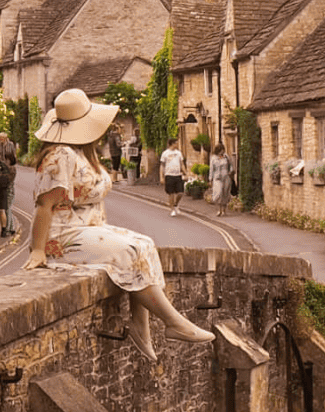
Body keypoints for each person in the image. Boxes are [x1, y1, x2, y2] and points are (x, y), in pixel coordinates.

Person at [22, 89, 214, 362]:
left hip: (86, 230)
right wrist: (39, 251)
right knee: (130, 251)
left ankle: (140, 324)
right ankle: (173, 322)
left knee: (144, 243)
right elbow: (44, 206)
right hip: (62, 236)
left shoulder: (81, 153)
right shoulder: (61, 155)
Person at [160, 136, 186, 217]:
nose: (177, 144)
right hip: (169, 175)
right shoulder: (165, 153)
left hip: (178, 175)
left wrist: (186, 172)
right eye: (176, 143)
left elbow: (182, 164)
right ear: (172, 144)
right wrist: (161, 177)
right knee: (171, 193)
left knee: (180, 193)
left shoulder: (179, 153)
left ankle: (175, 205)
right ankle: (172, 210)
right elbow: (162, 166)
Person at [209, 142, 234, 217]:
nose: (223, 152)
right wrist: (210, 179)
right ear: (217, 150)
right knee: (219, 193)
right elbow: (211, 169)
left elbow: (231, 165)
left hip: (226, 177)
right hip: (217, 178)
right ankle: (219, 209)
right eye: (221, 150)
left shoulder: (226, 157)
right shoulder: (213, 158)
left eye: (223, 150)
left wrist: (231, 172)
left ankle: (223, 211)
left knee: (225, 194)